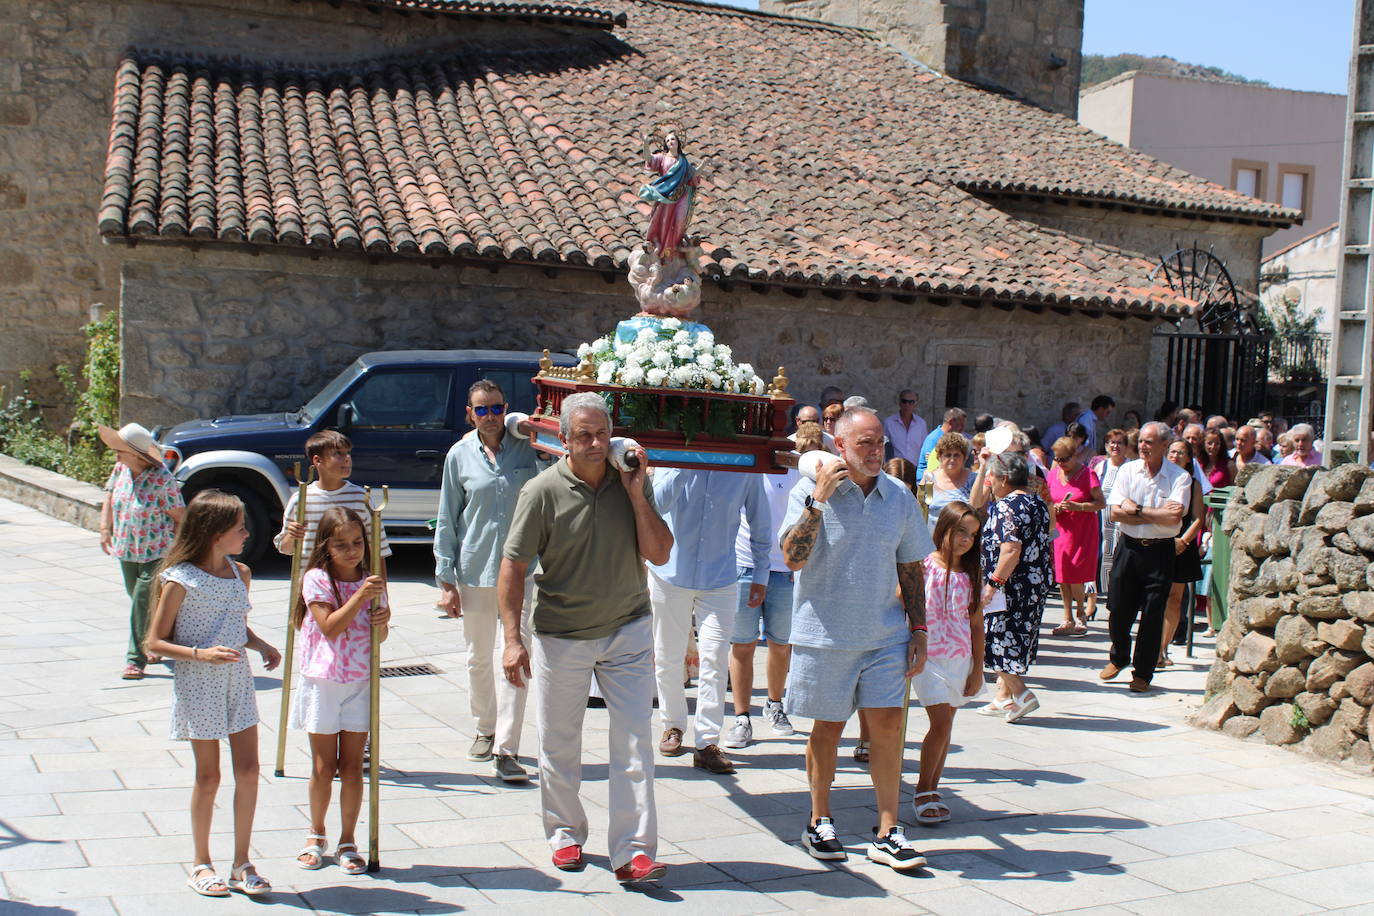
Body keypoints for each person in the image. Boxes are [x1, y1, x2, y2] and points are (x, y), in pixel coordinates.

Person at [498, 393, 673, 882]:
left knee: (635, 744)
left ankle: (634, 851)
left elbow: (660, 553)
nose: (595, 444)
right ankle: (565, 834)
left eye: (602, 434)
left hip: (628, 627)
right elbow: (512, 567)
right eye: (584, 436)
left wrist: (636, 494)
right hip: (562, 634)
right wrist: (512, 639)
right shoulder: (541, 491)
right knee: (559, 743)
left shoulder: (631, 480)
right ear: (564, 440)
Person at [780, 407, 933, 871]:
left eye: (880, 442)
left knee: (888, 727)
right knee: (827, 729)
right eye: (865, 442)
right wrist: (819, 500)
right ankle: (819, 821)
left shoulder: (899, 495)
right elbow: (792, 558)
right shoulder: (810, 489)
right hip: (825, 635)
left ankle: (888, 830)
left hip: (885, 635)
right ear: (840, 445)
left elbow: (911, 566)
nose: (875, 451)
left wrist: (919, 628)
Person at [144, 490, 281, 898]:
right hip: (198, 683)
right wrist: (199, 654)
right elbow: (154, 641)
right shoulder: (180, 579)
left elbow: (235, 622)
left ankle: (242, 862)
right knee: (209, 776)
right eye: (239, 527)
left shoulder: (241, 573)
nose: (246, 533)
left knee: (249, 770)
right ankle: (201, 863)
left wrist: (261, 645)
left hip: (237, 679)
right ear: (215, 533)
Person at [433, 380, 540, 781]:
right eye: (482, 409)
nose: (490, 416)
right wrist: (446, 579)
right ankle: (485, 729)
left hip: (522, 571)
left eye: (496, 408)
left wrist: (528, 428)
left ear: (505, 409)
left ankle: (507, 748)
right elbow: (448, 516)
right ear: (470, 414)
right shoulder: (459, 455)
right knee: (478, 657)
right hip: (476, 568)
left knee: (517, 654)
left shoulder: (528, 449)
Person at [649, 465, 771, 775]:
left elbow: (760, 519)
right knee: (668, 656)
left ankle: (706, 742)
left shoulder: (744, 467)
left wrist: (761, 573)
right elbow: (656, 504)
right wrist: (683, 466)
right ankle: (672, 725)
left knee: (715, 659)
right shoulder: (674, 461)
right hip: (669, 573)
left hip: (719, 577)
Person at [289, 507, 391, 875]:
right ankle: (316, 833)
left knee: (352, 766)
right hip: (324, 681)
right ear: (326, 547)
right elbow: (330, 626)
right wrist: (361, 597)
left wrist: (382, 620)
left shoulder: (371, 580)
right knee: (323, 765)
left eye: (357, 543)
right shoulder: (317, 579)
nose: (351, 551)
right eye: (341, 545)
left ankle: (348, 839)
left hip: (360, 679)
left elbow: (380, 633)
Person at [726, 425, 812, 749]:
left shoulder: (798, 465)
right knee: (743, 644)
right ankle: (741, 717)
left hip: (784, 568)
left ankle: (775, 704)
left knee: (780, 643)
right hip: (745, 563)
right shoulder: (746, 463)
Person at [910, 502, 985, 827]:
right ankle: (922, 790)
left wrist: (978, 669)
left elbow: (976, 624)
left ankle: (933, 788)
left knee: (946, 726)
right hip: (928, 658)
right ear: (945, 527)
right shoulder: (924, 564)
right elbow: (901, 598)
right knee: (940, 724)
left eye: (973, 535)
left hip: (959, 658)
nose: (966, 539)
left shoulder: (972, 573)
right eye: (961, 531)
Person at [1102, 422, 1189, 693]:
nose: (1143, 446)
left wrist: (1137, 509)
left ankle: (1142, 673)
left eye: (1149, 442)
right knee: (1118, 607)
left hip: (1160, 550)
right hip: (1128, 547)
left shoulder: (1179, 477)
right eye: (1141, 441)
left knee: (1152, 613)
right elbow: (1115, 512)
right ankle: (1119, 657)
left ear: (1164, 445)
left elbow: (1174, 517)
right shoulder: (1128, 470)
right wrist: (1156, 513)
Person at [98, 422, 185, 680]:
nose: (115, 453)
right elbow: (109, 496)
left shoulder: (162, 479)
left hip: (157, 552)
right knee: (138, 597)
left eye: (120, 450)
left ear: (137, 455)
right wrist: (104, 529)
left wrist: (180, 552)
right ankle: (157, 639)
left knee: (142, 599)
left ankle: (135, 660)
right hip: (126, 547)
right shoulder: (120, 469)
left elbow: (180, 517)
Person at [976, 452, 1053, 723]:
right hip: (1034, 583)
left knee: (994, 640)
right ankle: (1004, 697)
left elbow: (1011, 549)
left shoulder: (1005, 506)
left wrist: (992, 584)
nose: (989, 483)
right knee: (1017, 639)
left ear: (1005, 478)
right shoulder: (1037, 502)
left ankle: (1022, 694)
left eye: (992, 477)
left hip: (1009, 588)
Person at [275, 430, 392, 573]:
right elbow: (284, 548)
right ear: (317, 460)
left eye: (348, 453)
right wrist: (292, 535)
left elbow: (378, 549)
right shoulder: (300, 500)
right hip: (311, 584)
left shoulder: (360, 498)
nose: (347, 458)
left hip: (352, 583)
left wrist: (381, 586)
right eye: (338, 453)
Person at [1047, 438, 1105, 637]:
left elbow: (1100, 503)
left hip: (1082, 531)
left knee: (1076, 574)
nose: (1060, 463)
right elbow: (1048, 500)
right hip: (1061, 530)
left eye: (1064, 459)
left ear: (1075, 455)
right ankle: (1067, 617)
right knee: (1063, 574)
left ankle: (1081, 612)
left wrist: (1078, 506)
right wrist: (1055, 508)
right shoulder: (1053, 475)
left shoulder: (1088, 474)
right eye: (1057, 459)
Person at [1159, 440, 1204, 669]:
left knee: (1174, 598)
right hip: (1158, 541)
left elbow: (1198, 518)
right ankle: (1151, 644)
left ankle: (1162, 648)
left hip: (1181, 544)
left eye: (1181, 452)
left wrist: (1183, 541)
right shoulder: (1159, 480)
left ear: (1188, 458)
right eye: (1172, 452)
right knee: (1155, 596)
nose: (1175, 456)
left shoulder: (1193, 484)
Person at [1090, 429, 1130, 617]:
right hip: (1100, 521)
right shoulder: (1101, 467)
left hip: (1123, 522)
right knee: (1096, 561)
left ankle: (1117, 601)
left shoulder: (1131, 467)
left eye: (1120, 442)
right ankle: (1092, 602)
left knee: (1119, 562)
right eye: (1112, 442)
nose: (1115, 446)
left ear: (1126, 446)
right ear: (1106, 446)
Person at [922, 433, 974, 536]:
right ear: (939, 457)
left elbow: (980, 512)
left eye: (956, 455)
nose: (952, 459)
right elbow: (922, 510)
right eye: (948, 455)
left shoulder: (973, 479)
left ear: (964, 457)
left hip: (963, 540)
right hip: (933, 539)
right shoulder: (929, 478)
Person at [916, 408, 967, 480]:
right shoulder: (934, 439)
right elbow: (933, 466)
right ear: (951, 422)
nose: (962, 429)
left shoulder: (949, 437)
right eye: (961, 425)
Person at [884, 389, 929, 465]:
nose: (907, 405)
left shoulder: (921, 424)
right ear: (900, 403)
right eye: (904, 401)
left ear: (915, 404)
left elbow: (924, 448)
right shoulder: (889, 423)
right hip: (895, 468)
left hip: (915, 468)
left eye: (911, 402)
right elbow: (884, 447)